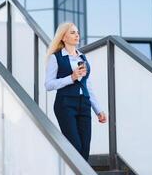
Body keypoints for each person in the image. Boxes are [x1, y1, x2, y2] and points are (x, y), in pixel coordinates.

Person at [45, 22, 107, 161]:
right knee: (75, 147)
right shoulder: (56, 57)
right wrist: (71, 78)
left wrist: (98, 109)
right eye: (72, 32)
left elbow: (87, 84)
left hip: (84, 104)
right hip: (65, 104)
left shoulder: (82, 57)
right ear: (63, 37)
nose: (77, 35)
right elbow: (48, 85)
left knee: (85, 149)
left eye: (77, 32)